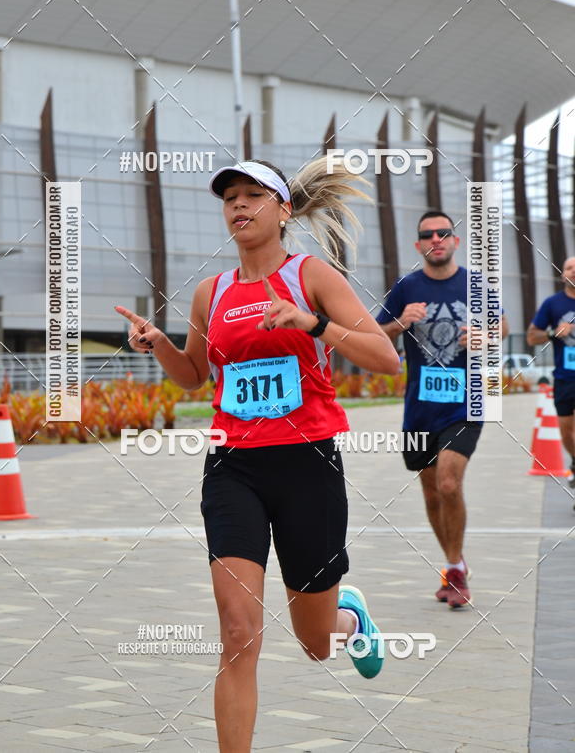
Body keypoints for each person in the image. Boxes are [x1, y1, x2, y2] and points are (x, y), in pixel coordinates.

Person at [116, 158, 400, 753]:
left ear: (283, 209)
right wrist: (161, 344)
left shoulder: (310, 275)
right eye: (229, 199)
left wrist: (312, 322)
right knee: (238, 631)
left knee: (315, 643)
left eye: (252, 196)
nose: (239, 206)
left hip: (307, 465)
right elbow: (194, 377)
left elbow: (385, 358)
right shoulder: (211, 292)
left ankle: (349, 619)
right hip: (233, 469)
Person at [376, 211, 508, 609]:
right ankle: (455, 563)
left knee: (449, 483)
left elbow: (500, 326)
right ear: (419, 245)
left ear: (455, 240)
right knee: (432, 493)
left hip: (467, 401)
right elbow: (375, 336)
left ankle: (454, 567)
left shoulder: (476, 283)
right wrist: (401, 322)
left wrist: (484, 336)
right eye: (427, 235)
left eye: (444, 232)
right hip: (419, 408)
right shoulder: (406, 287)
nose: (436, 238)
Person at [527, 256, 575, 489]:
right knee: (567, 431)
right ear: (562, 274)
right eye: (569, 268)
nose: (574, 271)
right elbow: (531, 336)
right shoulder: (552, 304)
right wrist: (552, 334)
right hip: (565, 378)